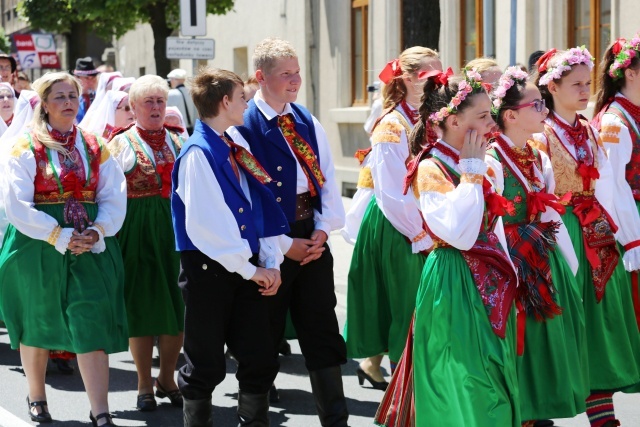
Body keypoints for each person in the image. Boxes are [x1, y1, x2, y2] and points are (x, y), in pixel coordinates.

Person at [229, 38, 349, 426]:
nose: (295, 80)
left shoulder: (304, 119)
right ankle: (255, 419)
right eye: (286, 74)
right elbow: (246, 195)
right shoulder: (242, 126)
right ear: (261, 77)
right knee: (262, 335)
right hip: (267, 241)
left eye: (297, 72)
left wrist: (322, 230)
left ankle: (335, 418)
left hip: (310, 233)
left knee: (322, 328)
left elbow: (326, 179)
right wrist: (282, 246)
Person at [0, 71, 127, 426]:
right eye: (59, 96)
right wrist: (56, 234)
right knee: (36, 320)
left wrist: (99, 231)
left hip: (88, 243)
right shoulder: (25, 145)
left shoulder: (95, 144)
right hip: (37, 245)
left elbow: (114, 194)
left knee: (91, 321)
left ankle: (101, 411)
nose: (68, 102)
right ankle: (37, 396)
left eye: (72, 95)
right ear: (44, 103)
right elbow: (17, 204)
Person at [398, 68, 520, 426]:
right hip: (453, 279)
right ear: (453, 121)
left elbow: (492, 227)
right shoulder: (431, 169)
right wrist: (470, 171)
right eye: (482, 117)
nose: (491, 125)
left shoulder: (482, 161)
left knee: (492, 373)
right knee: (465, 378)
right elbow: (460, 234)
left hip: (487, 277)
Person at [173, 66, 288, 426]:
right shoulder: (198, 153)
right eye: (241, 97)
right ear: (225, 101)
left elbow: (257, 202)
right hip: (210, 271)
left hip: (246, 265)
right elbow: (208, 227)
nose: (247, 101)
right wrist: (253, 269)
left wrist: (269, 260)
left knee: (259, 357)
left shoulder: (234, 141)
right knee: (205, 363)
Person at [532, 46, 640, 427]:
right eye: (575, 84)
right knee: (562, 329)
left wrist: (620, 234)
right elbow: (538, 195)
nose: (585, 91)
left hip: (596, 236)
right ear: (552, 87)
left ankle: (604, 419)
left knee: (600, 328)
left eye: (587, 83)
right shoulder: (541, 136)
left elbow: (608, 185)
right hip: (562, 237)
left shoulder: (589, 131)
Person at [487, 67, 589, 426]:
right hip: (510, 260)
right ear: (511, 115)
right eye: (536, 105)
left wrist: (570, 264)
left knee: (546, 340)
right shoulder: (491, 160)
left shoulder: (538, 155)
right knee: (519, 342)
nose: (544, 111)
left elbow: (549, 213)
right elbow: (491, 224)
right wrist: (506, 268)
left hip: (541, 256)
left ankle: (535, 413)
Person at [344, 47, 440, 391]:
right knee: (408, 308)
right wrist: (419, 233)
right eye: (432, 77)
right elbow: (389, 192)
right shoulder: (391, 126)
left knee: (420, 308)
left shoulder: (431, 117)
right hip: (400, 226)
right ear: (409, 79)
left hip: (426, 224)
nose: (439, 83)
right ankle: (405, 399)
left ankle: (401, 384)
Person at [108, 75, 186, 412]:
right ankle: (143, 383)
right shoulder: (119, 144)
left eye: (160, 101)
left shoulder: (181, 142)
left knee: (176, 305)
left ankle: (167, 378)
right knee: (140, 306)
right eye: (148, 102)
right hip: (136, 230)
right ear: (134, 108)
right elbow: (107, 192)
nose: (155, 108)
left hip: (176, 230)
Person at [167, 69, 197, 134]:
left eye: (171, 79)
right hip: (192, 129)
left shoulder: (171, 94)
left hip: (178, 130)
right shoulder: (191, 92)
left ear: (174, 80)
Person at [73, 57, 100, 122]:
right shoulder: (71, 99)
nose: (91, 82)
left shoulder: (100, 98)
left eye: (93, 78)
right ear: (77, 78)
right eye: (87, 78)